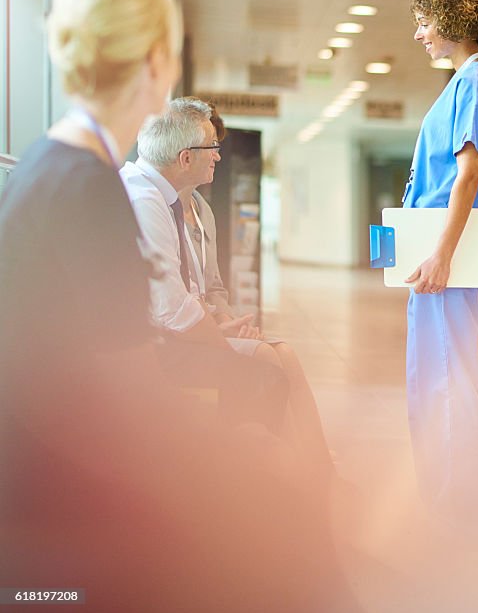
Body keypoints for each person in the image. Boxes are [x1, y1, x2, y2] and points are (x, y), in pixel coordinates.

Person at [0, 0, 348, 613]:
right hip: (52, 494)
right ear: (154, 64)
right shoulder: (88, 187)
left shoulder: (51, 167)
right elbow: (128, 396)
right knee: (282, 523)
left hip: (35, 462)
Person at [124, 96, 333, 474]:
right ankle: (266, 473)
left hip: (176, 330)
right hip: (150, 344)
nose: (218, 156)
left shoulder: (175, 202)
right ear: (185, 158)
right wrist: (222, 337)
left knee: (280, 352)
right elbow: (171, 307)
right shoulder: (144, 200)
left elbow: (200, 290)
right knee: (265, 361)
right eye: (212, 148)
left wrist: (221, 320)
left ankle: (309, 462)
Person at [403, 0, 478, 533]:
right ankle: (452, 503)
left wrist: (442, 253)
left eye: (423, 22)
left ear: (449, 21)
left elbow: (467, 174)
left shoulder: (472, 83)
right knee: (441, 375)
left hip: (446, 263)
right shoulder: (472, 82)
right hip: (438, 261)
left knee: (446, 379)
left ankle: (456, 507)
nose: (419, 34)